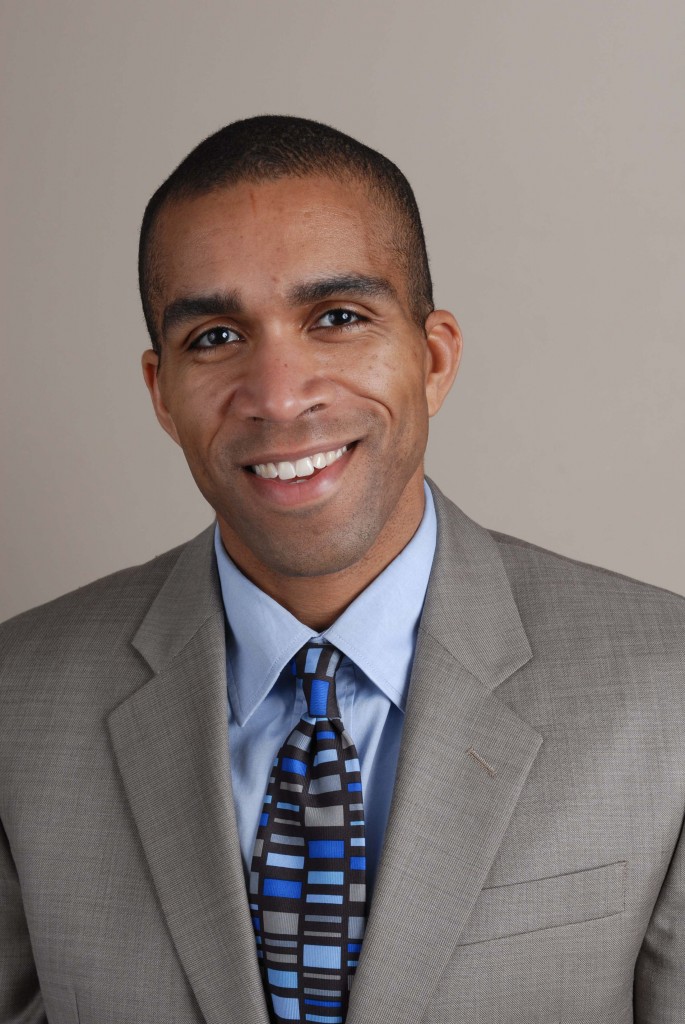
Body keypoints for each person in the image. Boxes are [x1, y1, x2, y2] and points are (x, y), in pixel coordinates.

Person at [0, 115, 684, 1024]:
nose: (280, 397)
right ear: (161, 391)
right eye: (213, 336)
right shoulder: (16, 703)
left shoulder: (666, 686)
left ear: (432, 358)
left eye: (336, 318)